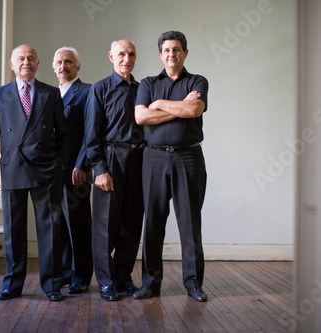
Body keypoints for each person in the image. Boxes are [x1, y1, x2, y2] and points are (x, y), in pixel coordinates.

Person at [0, 44, 70, 301]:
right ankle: (12, 284)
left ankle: (52, 285)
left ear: (38, 63)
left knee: (50, 230)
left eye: (30, 58)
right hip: (12, 169)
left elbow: (64, 134)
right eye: (20, 58)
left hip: (46, 170)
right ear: (12, 64)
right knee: (13, 231)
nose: (26, 62)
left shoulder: (50, 93)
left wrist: (61, 164)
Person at [133, 31, 209, 302]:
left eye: (177, 49)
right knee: (153, 223)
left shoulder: (197, 81)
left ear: (185, 53)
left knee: (190, 224)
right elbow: (141, 116)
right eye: (166, 50)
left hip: (188, 158)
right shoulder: (148, 82)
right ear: (160, 54)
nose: (172, 54)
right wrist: (179, 106)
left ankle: (193, 284)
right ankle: (151, 284)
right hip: (153, 159)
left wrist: (160, 105)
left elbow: (193, 111)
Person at [84, 39, 144, 301]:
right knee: (105, 228)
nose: (126, 59)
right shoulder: (100, 89)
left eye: (131, 54)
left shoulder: (143, 90)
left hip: (139, 159)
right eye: (121, 54)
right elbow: (91, 136)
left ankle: (122, 278)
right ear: (111, 56)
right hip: (110, 159)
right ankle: (106, 282)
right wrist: (99, 170)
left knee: (131, 225)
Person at [52, 46, 93, 294]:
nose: (63, 66)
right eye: (59, 62)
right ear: (53, 66)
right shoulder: (49, 94)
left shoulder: (87, 92)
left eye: (68, 62)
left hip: (76, 171)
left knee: (78, 225)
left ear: (77, 66)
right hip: (53, 172)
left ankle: (82, 276)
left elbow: (91, 133)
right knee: (58, 225)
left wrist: (82, 164)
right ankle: (65, 272)